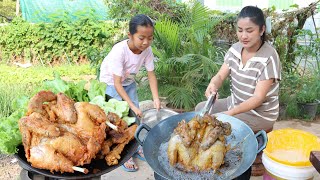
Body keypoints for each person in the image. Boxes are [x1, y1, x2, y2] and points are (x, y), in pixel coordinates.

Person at [195, 6, 281, 179]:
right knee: (201, 108)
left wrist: (229, 114)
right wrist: (213, 84)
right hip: (234, 102)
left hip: (260, 114)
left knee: (225, 127)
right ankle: (204, 156)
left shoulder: (269, 57)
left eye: (249, 31)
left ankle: (225, 167)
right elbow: (220, 75)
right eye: (240, 30)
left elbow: (257, 99)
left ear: (262, 29)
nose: (244, 36)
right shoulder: (235, 49)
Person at [99, 14, 161, 172]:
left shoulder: (147, 50)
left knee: (135, 117)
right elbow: (117, 84)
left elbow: (151, 74)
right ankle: (126, 155)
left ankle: (137, 146)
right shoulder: (119, 52)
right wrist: (132, 105)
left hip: (128, 81)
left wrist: (156, 98)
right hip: (111, 82)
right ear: (130, 35)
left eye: (150, 38)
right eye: (141, 38)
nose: (146, 42)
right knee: (118, 120)